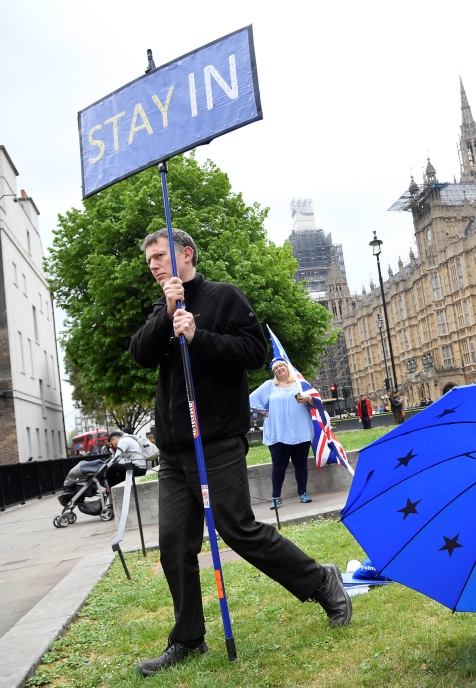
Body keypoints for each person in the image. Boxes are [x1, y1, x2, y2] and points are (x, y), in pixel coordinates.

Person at [129, 228, 351, 677]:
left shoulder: (224, 297)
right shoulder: (163, 307)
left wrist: (199, 335)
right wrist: (168, 313)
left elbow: (253, 351)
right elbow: (141, 353)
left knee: (238, 528)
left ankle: (320, 580)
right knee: (174, 544)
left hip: (215, 439)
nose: (152, 264)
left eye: (159, 256)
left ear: (186, 254)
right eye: (148, 259)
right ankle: (188, 639)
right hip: (174, 449)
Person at [249, 358, 316, 509]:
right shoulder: (270, 386)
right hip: (278, 432)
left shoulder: (300, 383)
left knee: (301, 464)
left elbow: (316, 401)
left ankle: (303, 493)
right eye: (276, 368)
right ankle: (276, 496)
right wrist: (265, 412)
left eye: (281, 366)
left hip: (300, 429)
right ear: (274, 372)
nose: (279, 369)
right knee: (279, 465)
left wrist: (309, 398)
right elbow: (251, 400)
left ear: (287, 367)